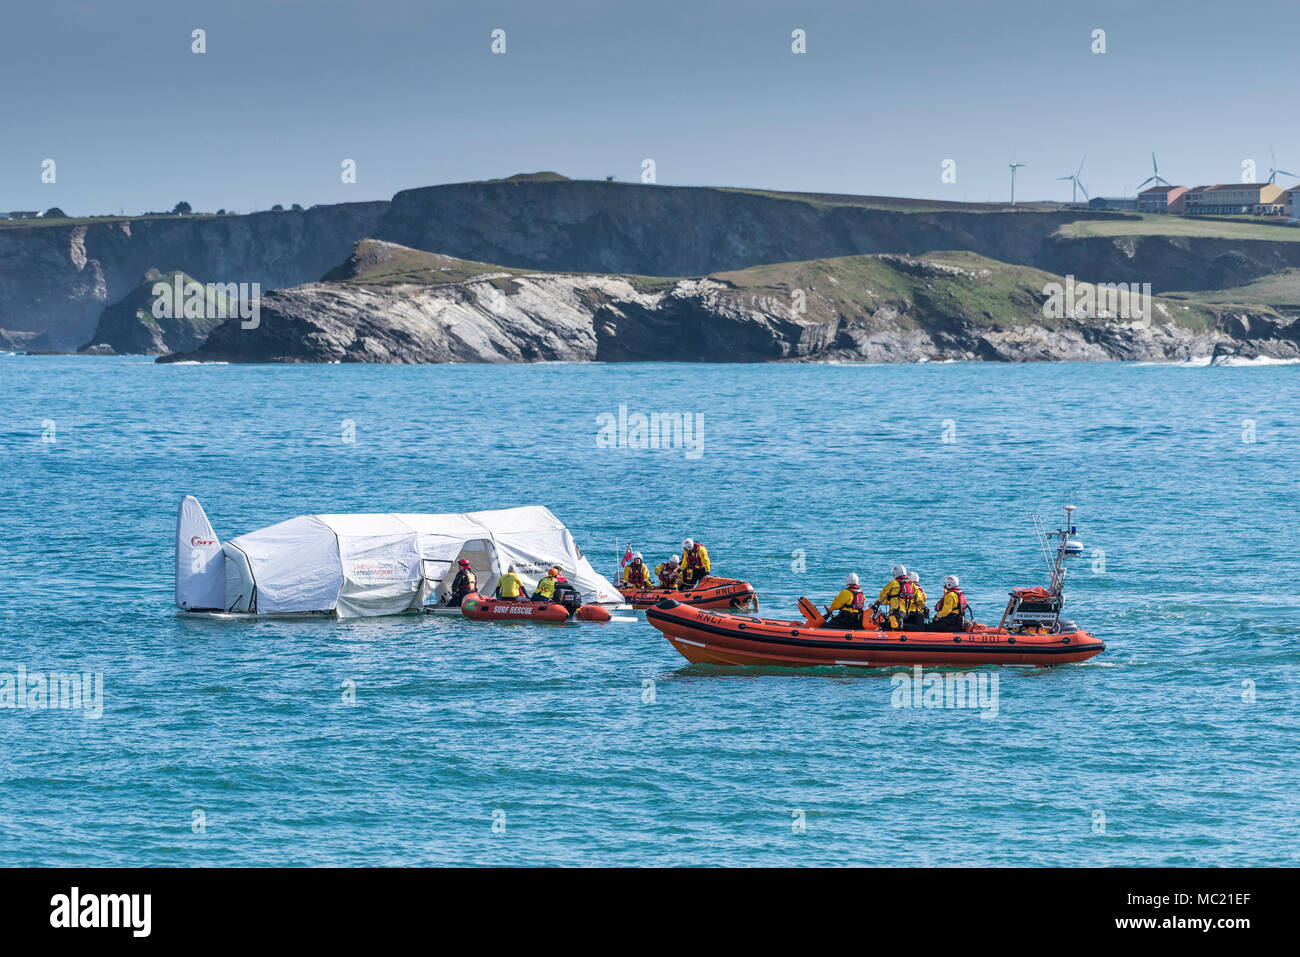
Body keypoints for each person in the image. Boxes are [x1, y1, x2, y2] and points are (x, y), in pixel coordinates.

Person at [872, 564, 914, 630]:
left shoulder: (893, 583)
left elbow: (883, 595)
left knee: (894, 627)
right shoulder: (912, 584)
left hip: (896, 612)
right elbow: (918, 599)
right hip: (907, 612)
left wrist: (877, 602)